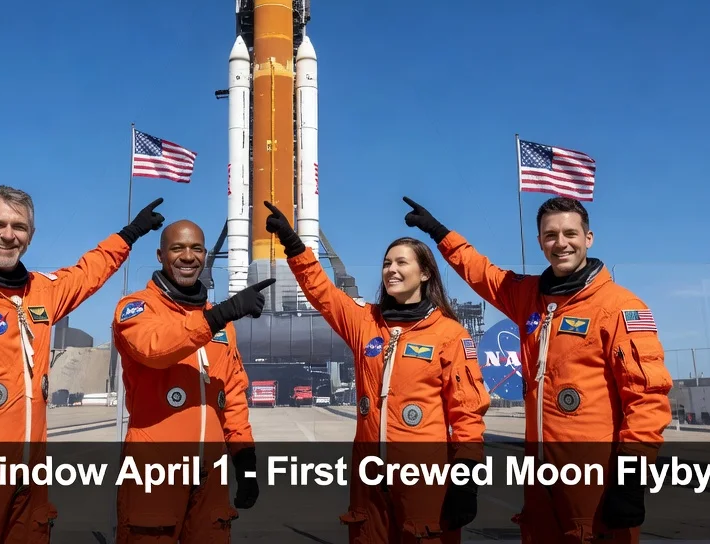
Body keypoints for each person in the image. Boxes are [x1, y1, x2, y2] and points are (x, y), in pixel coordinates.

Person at [0, 186, 166, 544]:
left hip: (30, 483)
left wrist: (129, 235)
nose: (8, 235)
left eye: (19, 227)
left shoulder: (41, 292)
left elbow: (87, 272)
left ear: (31, 237)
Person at [402, 195, 673, 544]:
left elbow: (647, 398)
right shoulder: (530, 296)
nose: (561, 243)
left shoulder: (619, 307)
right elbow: (481, 272)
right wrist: (439, 233)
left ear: (588, 239)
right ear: (540, 243)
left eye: (570, 234)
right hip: (541, 483)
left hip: (597, 484)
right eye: (550, 236)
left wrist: (631, 478)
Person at [262, 201, 488, 544]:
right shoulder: (366, 323)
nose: (391, 270)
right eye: (386, 263)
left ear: (425, 273)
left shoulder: (449, 334)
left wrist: (466, 479)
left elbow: (467, 413)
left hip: (424, 479)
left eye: (401, 263)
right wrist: (294, 245)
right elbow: (323, 294)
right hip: (369, 479)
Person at [111, 218, 268, 543]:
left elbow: (233, 397)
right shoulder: (137, 308)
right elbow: (155, 348)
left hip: (211, 476)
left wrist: (246, 462)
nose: (188, 256)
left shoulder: (222, 327)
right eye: (177, 248)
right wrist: (218, 316)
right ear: (160, 255)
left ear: (206, 254)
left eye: (196, 248)